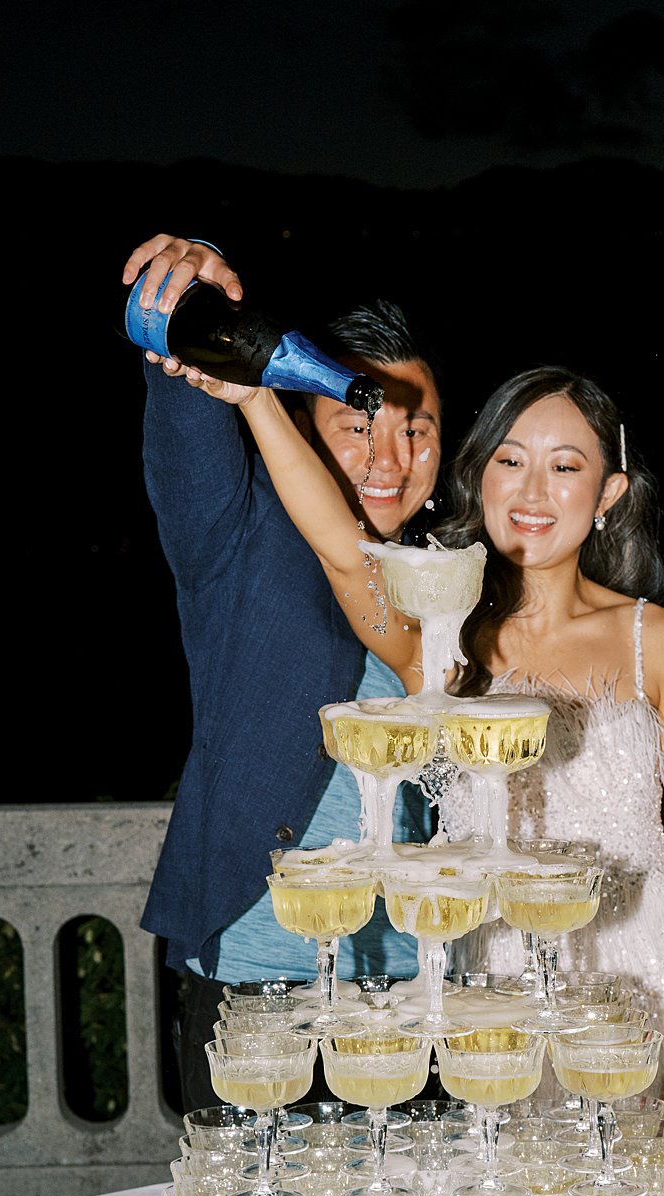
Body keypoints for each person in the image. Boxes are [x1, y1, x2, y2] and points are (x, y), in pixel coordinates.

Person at [175, 355, 664, 1177]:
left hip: (649, 986)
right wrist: (256, 403)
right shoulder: (445, 643)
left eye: (566, 468)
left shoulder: (654, 639)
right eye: (510, 461)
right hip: (497, 1000)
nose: (533, 490)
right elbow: (347, 556)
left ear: (608, 497)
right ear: (480, 479)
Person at [126, 235, 444, 1112]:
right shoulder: (239, 534)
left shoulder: (452, 588)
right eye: (360, 425)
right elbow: (186, 431)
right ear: (306, 422)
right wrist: (192, 313)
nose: (392, 457)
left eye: (417, 430)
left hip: (426, 994)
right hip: (257, 980)